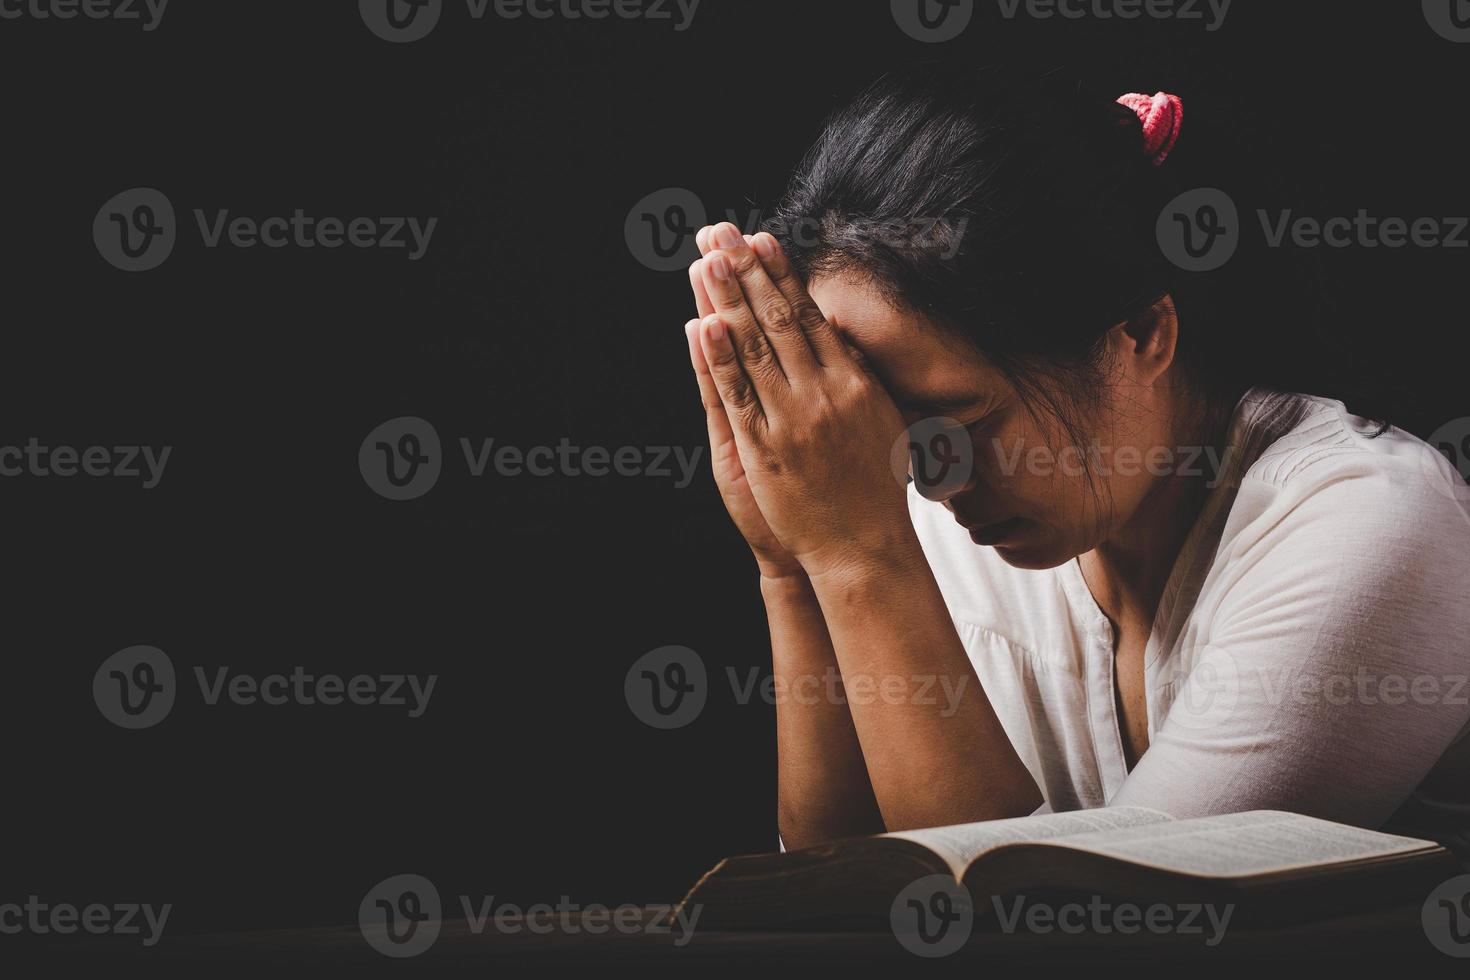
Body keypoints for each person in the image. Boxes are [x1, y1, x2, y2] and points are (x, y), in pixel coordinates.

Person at [680, 65, 1470, 851]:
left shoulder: (1371, 525)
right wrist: (793, 570)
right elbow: (822, 895)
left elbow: (1038, 934)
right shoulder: (914, 528)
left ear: (1141, 334)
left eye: (962, 418)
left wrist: (860, 558)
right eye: (888, 433)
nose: (929, 480)